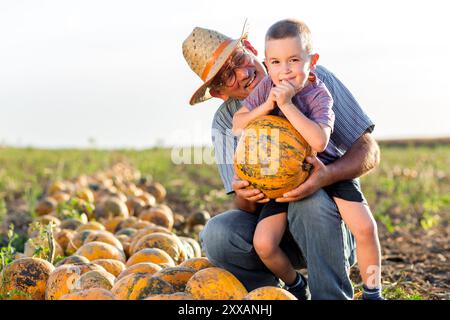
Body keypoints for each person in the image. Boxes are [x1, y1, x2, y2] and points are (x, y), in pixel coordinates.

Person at [182, 24, 381, 300]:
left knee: (308, 200)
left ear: (251, 50)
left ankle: (332, 295)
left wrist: (327, 176)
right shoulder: (225, 122)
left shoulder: (314, 80)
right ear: (217, 92)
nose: (242, 73)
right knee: (217, 233)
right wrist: (245, 191)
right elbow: (245, 207)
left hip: (330, 224)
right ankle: (276, 294)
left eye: (238, 59)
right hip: (276, 224)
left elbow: (369, 149)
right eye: (226, 75)